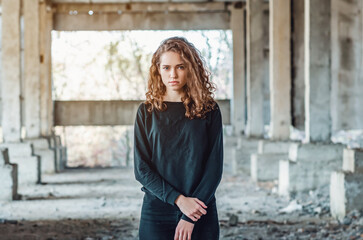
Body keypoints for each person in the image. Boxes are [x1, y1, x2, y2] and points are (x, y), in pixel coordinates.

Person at [133, 36, 224, 240]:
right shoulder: (146, 112)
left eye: (180, 67)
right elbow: (141, 169)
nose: (173, 74)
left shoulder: (209, 110)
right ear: (158, 69)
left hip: (200, 209)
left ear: (190, 68)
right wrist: (179, 200)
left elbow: (214, 168)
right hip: (156, 210)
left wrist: (190, 216)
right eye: (166, 67)